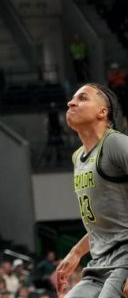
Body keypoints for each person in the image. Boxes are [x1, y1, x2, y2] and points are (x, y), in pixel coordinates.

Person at [54, 84, 128, 298]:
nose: (71, 102)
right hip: (99, 263)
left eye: (83, 98)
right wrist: (76, 252)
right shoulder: (78, 157)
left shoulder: (115, 143)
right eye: (72, 98)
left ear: (102, 112)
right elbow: (107, 224)